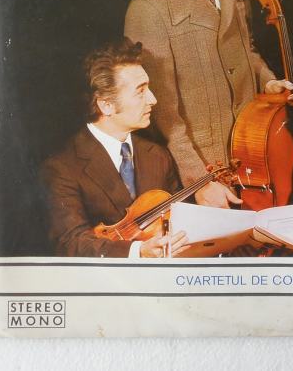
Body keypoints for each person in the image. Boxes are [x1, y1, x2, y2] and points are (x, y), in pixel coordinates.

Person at [125, 0, 293, 209]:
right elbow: (164, 114)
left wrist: (267, 81)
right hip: (205, 169)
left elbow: (246, 50)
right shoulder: (147, 8)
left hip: (253, 149)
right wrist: (199, 182)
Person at [42, 39, 191, 258]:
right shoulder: (61, 167)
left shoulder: (157, 155)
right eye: (140, 91)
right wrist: (138, 252)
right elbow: (70, 243)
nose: (153, 99)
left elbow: (180, 221)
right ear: (106, 105)